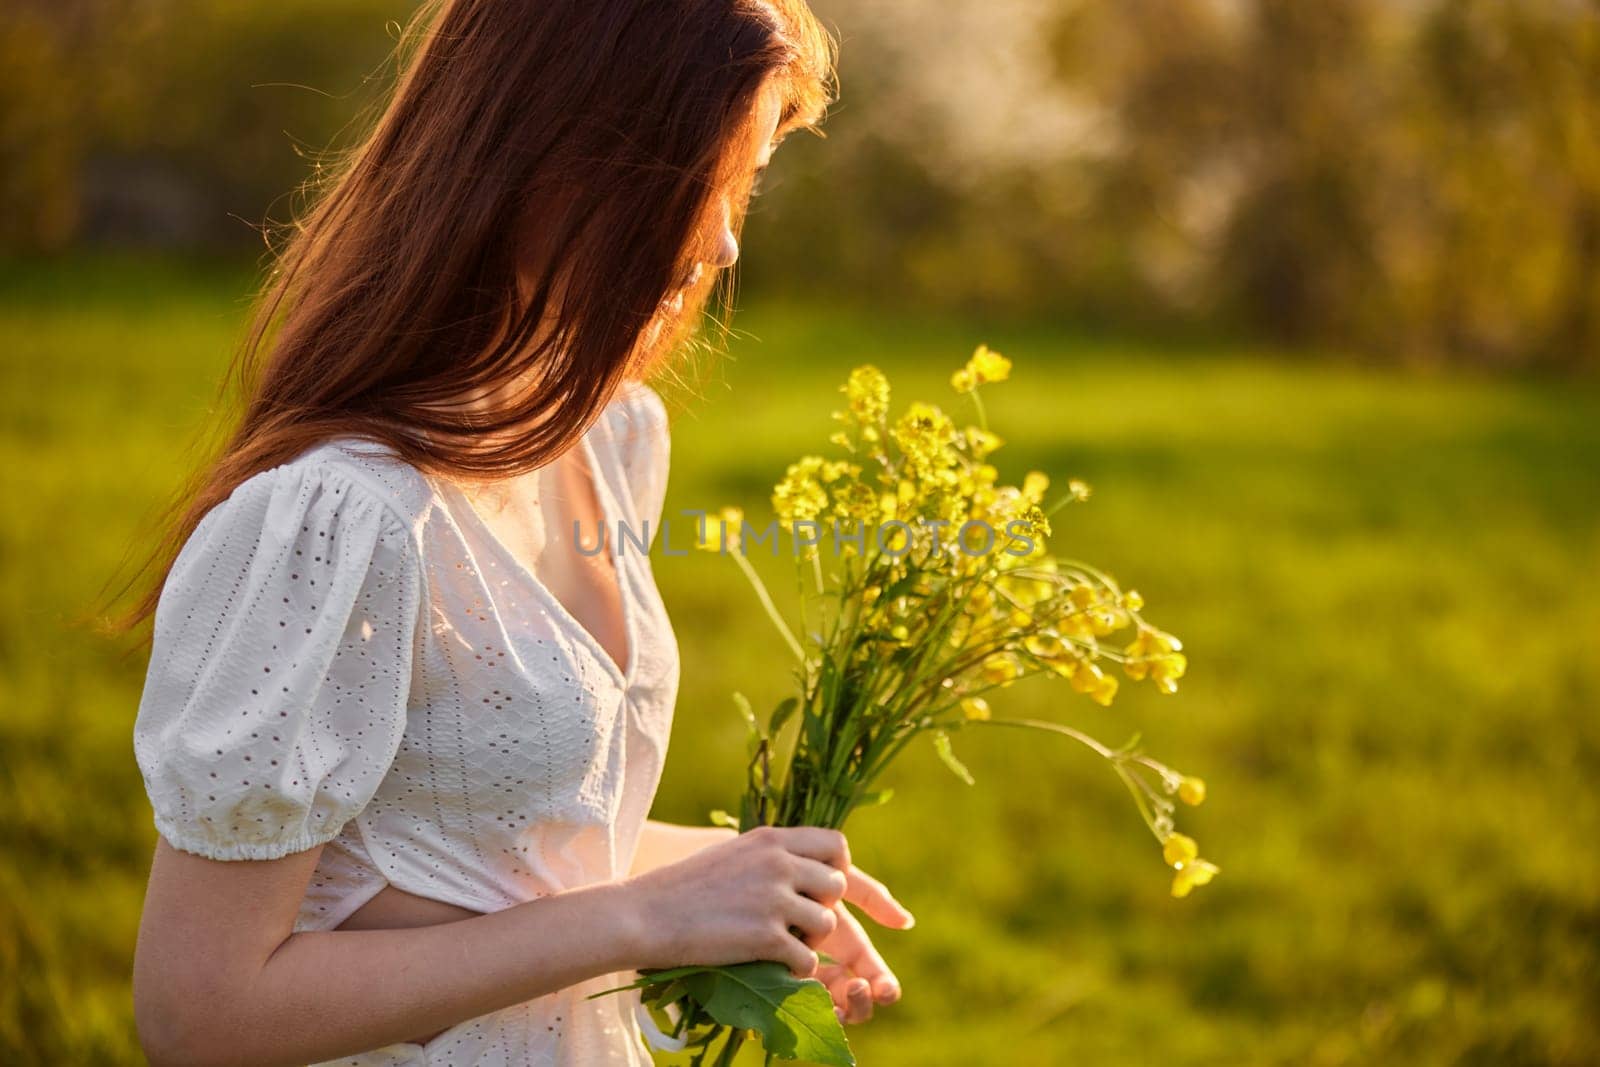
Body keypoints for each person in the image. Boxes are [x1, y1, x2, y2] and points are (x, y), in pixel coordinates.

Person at [122, 2, 913, 1063]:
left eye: (747, 185)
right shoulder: (340, 519)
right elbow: (199, 1011)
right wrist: (640, 920)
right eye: (702, 181)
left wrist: (738, 881)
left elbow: (499, 843)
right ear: (553, 162)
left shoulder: (609, 437)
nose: (725, 240)